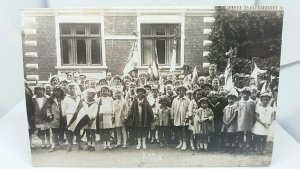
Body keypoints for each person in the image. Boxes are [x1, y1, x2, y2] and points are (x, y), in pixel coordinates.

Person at [62, 82, 83, 152]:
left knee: (78, 131)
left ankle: (79, 145)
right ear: (68, 90)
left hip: (77, 116)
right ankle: (70, 145)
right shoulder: (66, 98)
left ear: (76, 89)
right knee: (70, 131)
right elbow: (64, 108)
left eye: (73, 88)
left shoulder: (79, 98)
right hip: (70, 116)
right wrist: (64, 116)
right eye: (70, 88)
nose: (72, 90)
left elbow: (81, 107)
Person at [237, 86, 256, 154]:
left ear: (249, 94)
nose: (245, 95)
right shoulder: (239, 102)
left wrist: (253, 120)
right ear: (241, 94)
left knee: (248, 134)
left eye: (247, 93)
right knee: (240, 133)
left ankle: (248, 146)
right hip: (241, 120)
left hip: (249, 120)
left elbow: (254, 111)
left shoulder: (252, 102)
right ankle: (241, 146)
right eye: (244, 93)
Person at [32, 83, 52, 149]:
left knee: (47, 130)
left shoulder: (47, 98)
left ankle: (48, 142)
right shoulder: (34, 98)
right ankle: (43, 143)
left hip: (46, 116)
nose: (40, 91)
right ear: (36, 90)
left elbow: (50, 107)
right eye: (38, 90)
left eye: (41, 90)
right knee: (42, 131)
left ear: (44, 90)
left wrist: (49, 114)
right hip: (38, 116)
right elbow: (33, 107)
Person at [171, 85, 190, 151]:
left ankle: (184, 143)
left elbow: (188, 109)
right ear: (178, 92)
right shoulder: (175, 99)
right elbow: (173, 109)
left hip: (184, 117)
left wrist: (187, 116)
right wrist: (172, 117)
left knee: (183, 129)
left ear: (185, 91)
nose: (181, 92)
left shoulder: (187, 99)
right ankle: (180, 142)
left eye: (183, 90)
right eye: (180, 91)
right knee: (178, 129)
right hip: (177, 116)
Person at [49, 85, 66, 152]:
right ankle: (53, 145)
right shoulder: (51, 99)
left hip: (62, 117)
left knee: (61, 131)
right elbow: (48, 108)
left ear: (61, 91)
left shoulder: (64, 98)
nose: (57, 92)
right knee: (54, 132)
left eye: (58, 91)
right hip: (54, 117)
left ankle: (61, 144)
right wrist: (49, 115)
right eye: (55, 91)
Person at [221, 89, 239, 153]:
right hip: (226, 124)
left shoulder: (235, 106)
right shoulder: (226, 107)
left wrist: (230, 122)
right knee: (227, 136)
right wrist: (224, 122)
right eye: (229, 99)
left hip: (232, 124)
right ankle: (227, 147)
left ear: (234, 99)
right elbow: (223, 115)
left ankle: (232, 147)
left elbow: (235, 115)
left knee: (232, 136)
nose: (230, 100)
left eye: (232, 99)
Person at [98, 85, 115, 150]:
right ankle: (104, 144)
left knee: (108, 131)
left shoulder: (110, 99)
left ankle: (108, 144)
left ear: (108, 92)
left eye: (106, 91)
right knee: (103, 131)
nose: (104, 92)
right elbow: (99, 108)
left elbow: (113, 107)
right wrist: (100, 116)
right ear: (101, 92)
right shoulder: (100, 99)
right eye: (103, 91)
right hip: (102, 116)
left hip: (109, 116)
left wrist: (112, 116)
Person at [25, 81, 35, 148]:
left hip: (28, 115)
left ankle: (30, 143)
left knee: (29, 130)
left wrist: (31, 115)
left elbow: (32, 107)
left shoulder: (28, 96)